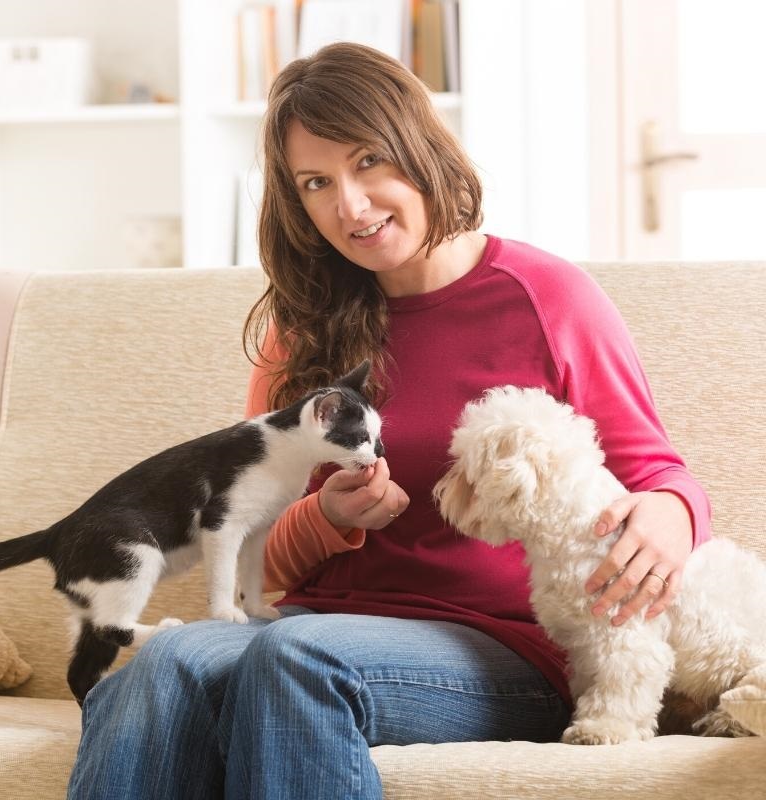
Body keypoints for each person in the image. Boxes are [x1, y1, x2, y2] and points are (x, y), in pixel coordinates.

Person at [67, 42, 710, 799]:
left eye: (369, 160)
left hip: (501, 644)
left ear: (419, 146)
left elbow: (655, 473)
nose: (350, 203)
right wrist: (327, 518)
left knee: (298, 656)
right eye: (316, 182)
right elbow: (253, 558)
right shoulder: (303, 329)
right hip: (312, 623)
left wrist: (673, 511)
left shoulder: (548, 298)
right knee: (166, 665)